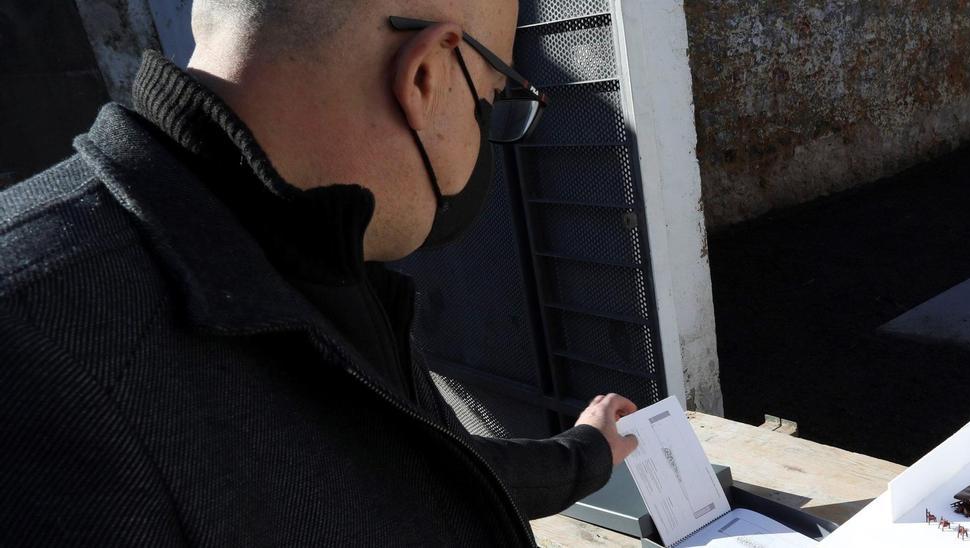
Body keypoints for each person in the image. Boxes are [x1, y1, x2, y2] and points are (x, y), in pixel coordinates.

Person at [0, 0, 639, 545]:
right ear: (425, 76)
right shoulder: (35, 346)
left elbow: (413, 469)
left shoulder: (303, 249)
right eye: (494, 100)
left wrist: (584, 454)